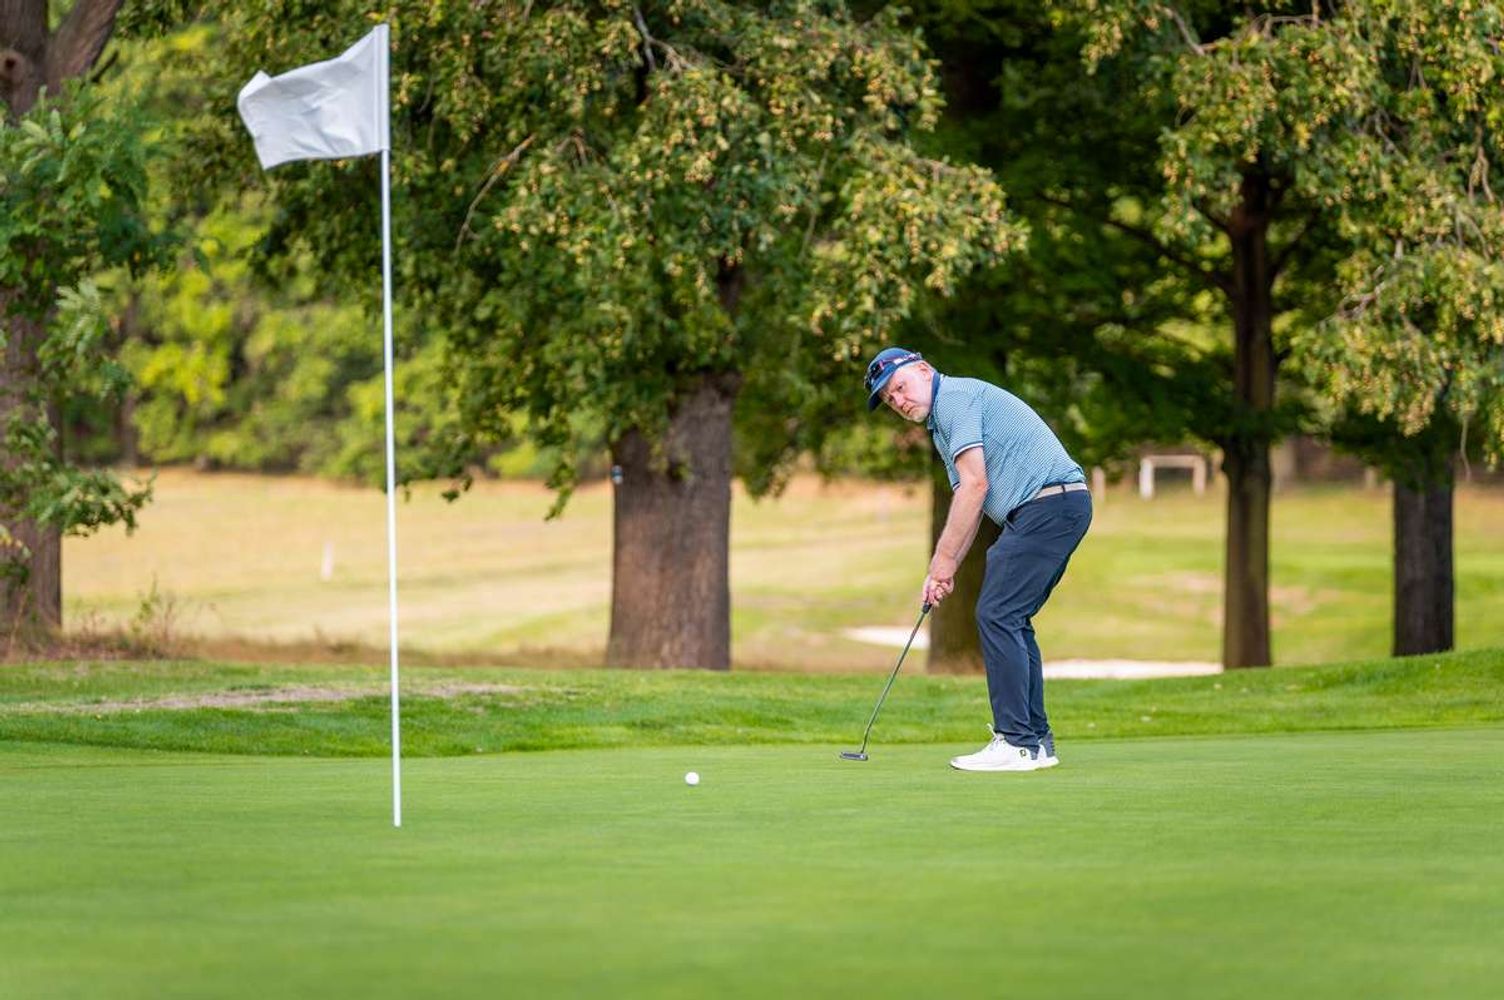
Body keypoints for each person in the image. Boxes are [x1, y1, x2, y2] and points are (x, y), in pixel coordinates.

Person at [864, 347, 1092, 772]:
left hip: (1048, 505)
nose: (898, 400)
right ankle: (1036, 742)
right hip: (1055, 507)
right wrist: (944, 570)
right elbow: (968, 502)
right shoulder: (942, 424)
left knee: (997, 614)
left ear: (923, 370)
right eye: (890, 399)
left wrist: (941, 561)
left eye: (899, 387)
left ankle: (1016, 743)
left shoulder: (955, 398)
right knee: (1011, 617)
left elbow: (975, 485)